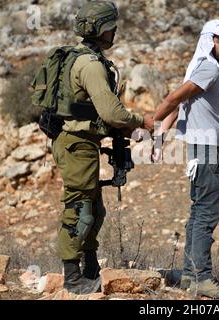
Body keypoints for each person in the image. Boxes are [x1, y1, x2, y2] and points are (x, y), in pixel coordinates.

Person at [49, 1, 154, 294]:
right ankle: (72, 278)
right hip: (77, 144)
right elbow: (111, 113)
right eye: (111, 27)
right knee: (79, 209)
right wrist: (140, 121)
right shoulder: (91, 65)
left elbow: (92, 112)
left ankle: (90, 267)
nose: (114, 32)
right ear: (101, 29)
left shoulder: (82, 58)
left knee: (94, 208)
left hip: (81, 143)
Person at [152, 19, 219, 299]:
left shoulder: (202, 68)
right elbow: (174, 98)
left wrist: (161, 134)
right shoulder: (208, 69)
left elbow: (181, 103)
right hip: (205, 148)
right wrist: (154, 123)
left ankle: (190, 275)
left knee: (198, 210)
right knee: (207, 212)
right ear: (208, 41)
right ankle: (202, 277)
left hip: (198, 148)